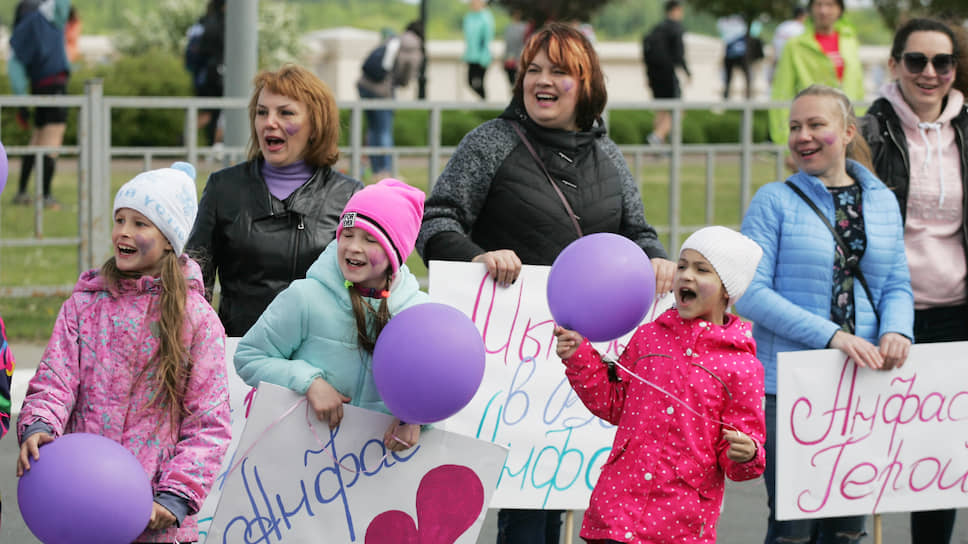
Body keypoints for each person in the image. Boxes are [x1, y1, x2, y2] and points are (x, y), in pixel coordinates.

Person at [416, 22, 675, 544]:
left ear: (588, 83)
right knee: (498, 501)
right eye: (533, 69)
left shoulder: (609, 156)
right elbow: (436, 222)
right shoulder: (490, 142)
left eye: (559, 70)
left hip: (585, 359)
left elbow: (637, 232)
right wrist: (478, 255)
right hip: (506, 364)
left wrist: (656, 259)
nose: (542, 80)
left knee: (554, 499)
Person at [736, 84, 914, 544]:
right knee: (794, 522)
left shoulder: (881, 200)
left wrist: (897, 330)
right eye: (795, 127)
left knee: (848, 523)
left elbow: (895, 282)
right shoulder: (773, 200)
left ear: (847, 131)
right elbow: (749, 293)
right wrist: (833, 336)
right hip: (788, 384)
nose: (803, 136)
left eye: (817, 125)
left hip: (863, 380)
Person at [17, 162, 231, 543]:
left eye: (140, 223)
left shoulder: (196, 320)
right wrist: (40, 426)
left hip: (154, 516)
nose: (124, 232)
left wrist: (175, 495)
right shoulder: (83, 306)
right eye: (120, 220)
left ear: (169, 239)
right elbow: (55, 380)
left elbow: (208, 424)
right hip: (80, 503)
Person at [554, 226, 766, 543]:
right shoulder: (649, 336)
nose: (686, 276)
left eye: (702, 269)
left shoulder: (742, 366)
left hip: (681, 523)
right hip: (617, 510)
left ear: (727, 290)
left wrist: (747, 454)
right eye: (681, 266)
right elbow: (613, 403)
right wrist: (579, 356)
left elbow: (737, 456)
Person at [858, 18, 968, 544]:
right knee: (864, 449)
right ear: (895, 64)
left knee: (939, 456)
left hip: (957, 313)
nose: (929, 73)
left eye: (941, 62)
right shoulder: (868, 130)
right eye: (916, 61)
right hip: (885, 316)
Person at [234, 179, 427, 451]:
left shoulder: (418, 315)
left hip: (378, 473)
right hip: (301, 465)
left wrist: (416, 419)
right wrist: (308, 382)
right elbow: (248, 357)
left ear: (396, 251)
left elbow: (438, 388)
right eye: (347, 234)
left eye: (370, 239)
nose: (353, 247)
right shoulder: (305, 297)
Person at [186, 64, 363, 338]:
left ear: (315, 124)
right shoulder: (223, 188)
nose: (269, 122)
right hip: (239, 356)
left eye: (285, 112)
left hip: (320, 359)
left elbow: (366, 289)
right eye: (261, 112)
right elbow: (194, 286)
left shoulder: (349, 196)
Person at [769, 0, 864, 151]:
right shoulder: (794, 45)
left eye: (830, 5)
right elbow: (782, 93)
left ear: (839, 10)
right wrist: (784, 144)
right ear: (810, 9)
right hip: (811, 134)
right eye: (818, 5)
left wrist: (860, 129)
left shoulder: (850, 41)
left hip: (847, 133)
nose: (823, 11)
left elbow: (857, 87)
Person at [8, 0, 71, 209]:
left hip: (38, 86)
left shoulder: (23, 29)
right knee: (52, 142)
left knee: (36, 141)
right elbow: (63, 4)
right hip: (56, 86)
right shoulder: (49, 17)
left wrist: (22, 103)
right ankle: (45, 196)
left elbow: (15, 69)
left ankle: (22, 192)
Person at [357, 21, 424, 179]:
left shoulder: (395, 39)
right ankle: (385, 171)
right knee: (384, 131)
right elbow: (405, 78)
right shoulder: (415, 50)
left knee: (373, 130)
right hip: (383, 91)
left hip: (364, 85)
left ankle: (375, 170)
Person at [642, 0, 690, 145]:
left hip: (654, 75)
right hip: (668, 74)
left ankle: (659, 147)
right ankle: (657, 136)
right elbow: (679, 54)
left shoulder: (656, 29)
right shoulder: (675, 28)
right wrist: (687, 72)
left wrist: (648, 75)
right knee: (678, 110)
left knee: (661, 110)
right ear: (676, 10)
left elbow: (646, 52)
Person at [718, 14, 764, 100]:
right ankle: (743, 99)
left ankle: (743, 99)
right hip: (740, 54)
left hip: (734, 54)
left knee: (731, 80)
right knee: (743, 79)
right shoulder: (739, 22)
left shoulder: (729, 21)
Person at [463, 0, 495, 100]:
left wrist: (484, 55)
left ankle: (484, 103)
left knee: (479, 82)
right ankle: (483, 102)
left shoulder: (486, 17)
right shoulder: (468, 17)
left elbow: (487, 38)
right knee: (469, 81)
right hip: (471, 56)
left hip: (482, 57)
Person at [768, 6, 807, 84]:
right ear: (801, 16)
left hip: (778, 64)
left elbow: (773, 47)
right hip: (793, 66)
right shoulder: (801, 29)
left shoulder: (782, 26)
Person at [502, 9, 528, 87]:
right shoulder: (509, 27)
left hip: (520, 59)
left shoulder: (525, 27)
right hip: (510, 59)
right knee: (512, 83)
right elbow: (507, 44)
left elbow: (525, 44)